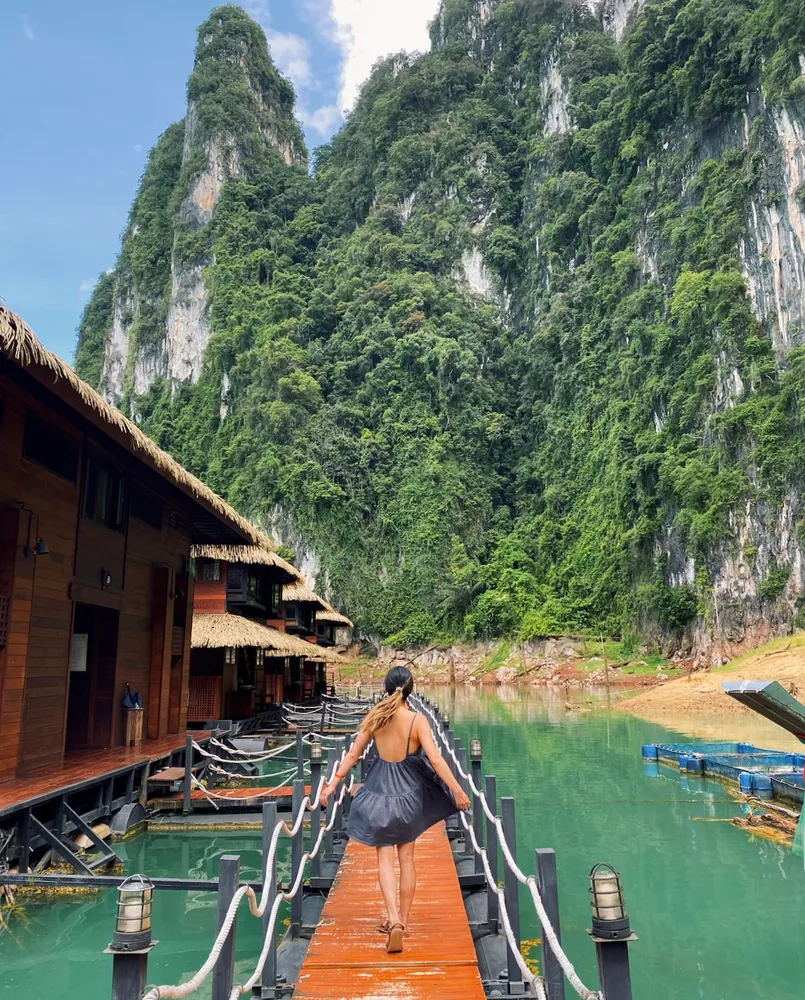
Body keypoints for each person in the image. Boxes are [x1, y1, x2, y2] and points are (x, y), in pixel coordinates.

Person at [319, 666, 470, 954]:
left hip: (379, 793)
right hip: (409, 796)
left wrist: (331, 786)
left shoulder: (376, 717)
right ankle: (404, 920)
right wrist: (458, 790)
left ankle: (392, 920)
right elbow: (436, 760)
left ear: (386, 687)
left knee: (384, 860)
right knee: (408, 859)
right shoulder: (417, 720)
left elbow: (353, 754)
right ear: (410, 690)